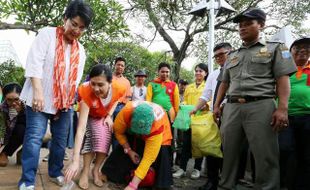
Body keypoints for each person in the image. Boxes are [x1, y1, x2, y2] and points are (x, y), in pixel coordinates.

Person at [213, 8, 297, 190]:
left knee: (265, 155)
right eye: (240, 26)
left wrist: (282, 108)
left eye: (248, 24)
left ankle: (267, 187)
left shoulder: (276, 48)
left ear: (261, 25)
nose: (242, 28)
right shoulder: (232, 55)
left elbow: (283, 79)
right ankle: (226, 186)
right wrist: (217, 106)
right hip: (232, 107)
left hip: (261, 105)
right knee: (228, 153)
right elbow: (224, 82)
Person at [18, 1, 93, 189]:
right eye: (74, 24)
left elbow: (75, 81)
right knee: (34, 138)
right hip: (40, 98)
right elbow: (34, 63)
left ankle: (54, 172)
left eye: (81, 28)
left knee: (60, 141)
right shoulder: (47, 34)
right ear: (65, 19)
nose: (76, 30)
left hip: (64, 102)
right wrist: (37, 92)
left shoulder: (80, 50)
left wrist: (67, 101)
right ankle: (27, 181)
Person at [64, 64, 126, 189]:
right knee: (94, 136)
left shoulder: (119, 88)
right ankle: (85, 171)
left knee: (106, 138)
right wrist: (75, 160)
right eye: (93, 83)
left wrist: (109, 115)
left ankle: (96, 170)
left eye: (100, 85)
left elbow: (117, 100)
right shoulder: (86, 91)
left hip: (104, 115)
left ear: (110, 82)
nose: (96, 88)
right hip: (90, 115)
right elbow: (81, 129)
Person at [101, 101, 173, 189]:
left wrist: (133, 185)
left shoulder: (157, 125)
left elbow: (148, 158)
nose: (140, 136)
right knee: (126, 143)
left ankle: (151, 181)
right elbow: (118, 132)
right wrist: (129, 150)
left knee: (161, 153)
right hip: (132, 129)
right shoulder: (125, 112)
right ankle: (110, 172)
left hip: (159, 134)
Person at [191, 43, 232, 190]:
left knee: (228, 148)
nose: (219, 58)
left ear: (231, 52)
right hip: (214, 117)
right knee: (211, 147)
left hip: (231, 113)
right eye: (216, 56)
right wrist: (195, 108)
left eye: (222, 54)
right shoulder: (214, 74)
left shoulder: (236, 70)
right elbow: (206, 94)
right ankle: (212, 181)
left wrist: (222, 106)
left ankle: (228, 181)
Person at [278, 37, 310, 190]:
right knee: (285, 149)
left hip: (308, 117)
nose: (302, 51)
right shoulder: (284, 71)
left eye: (306, 48)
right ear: (290, 53)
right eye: (298, 48)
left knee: (306, 154)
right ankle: (283, 183)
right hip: (285, 117)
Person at [173, 63, 208, 180]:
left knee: (199, 145)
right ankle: (182, 168)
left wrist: (205, 106)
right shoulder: (189, 87)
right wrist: (183, 104)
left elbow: (209, 101)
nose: (198, 73)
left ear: (205, 73)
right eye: (196, 71)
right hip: (188, 119)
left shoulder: (208, 86)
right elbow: (186, 101)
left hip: (202, 119)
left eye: (201, 71)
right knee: (185, 144)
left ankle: (197, 169)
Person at [0, 83, 25, 167]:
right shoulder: (2, 108)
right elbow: (3, 128)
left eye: (16, 99)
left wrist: (21, 112)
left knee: (21, 129)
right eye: (9, 100)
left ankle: (6, 152)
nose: (13, 103)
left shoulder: (29, 106)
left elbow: (32, 126)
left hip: (29, 135)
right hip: (10, 134)